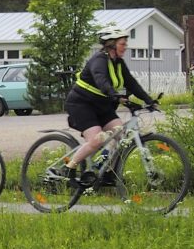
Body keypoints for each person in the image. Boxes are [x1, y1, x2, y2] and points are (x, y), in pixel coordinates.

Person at [56, 27, 155, 184]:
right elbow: (101, 80)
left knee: (121, 135)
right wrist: (115, 95)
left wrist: (149, 100)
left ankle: (107, 172)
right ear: (111, 45)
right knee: (97, 140)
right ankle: (69, 168)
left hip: (102, 106)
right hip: (81, 104)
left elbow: (132, 83)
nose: (125, 47)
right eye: (122, 44)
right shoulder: (98, 61)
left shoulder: (118, 63)